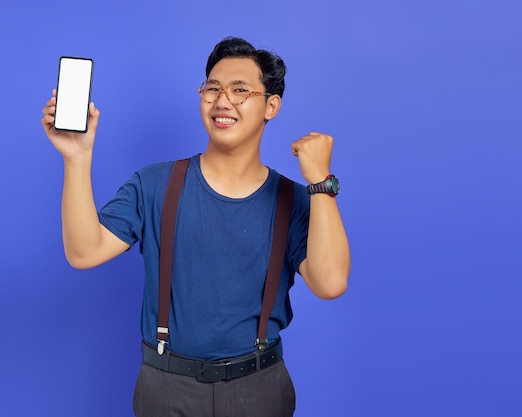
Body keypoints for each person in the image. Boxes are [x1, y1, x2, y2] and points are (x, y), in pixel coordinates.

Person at [41, 36, 350, 417]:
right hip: (166, 385)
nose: (223, 101)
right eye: (213, 88)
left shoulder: (296, 200)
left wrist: (320, 180)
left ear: (271, 106)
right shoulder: (154, 184)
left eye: (240, 90)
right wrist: (77, 157)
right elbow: (83, 252)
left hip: (259, 386)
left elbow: (331, 283)